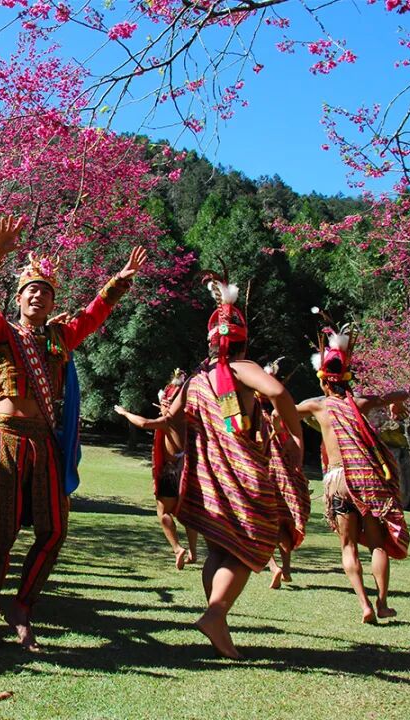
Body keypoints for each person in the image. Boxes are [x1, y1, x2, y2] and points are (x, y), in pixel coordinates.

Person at [0, 214, 145, 650]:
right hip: (6, 438)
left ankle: (23, 605)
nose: (39, 296)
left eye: (45, 291)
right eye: (31, 290)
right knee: (0, 534)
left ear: (50, 301)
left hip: (44, 442)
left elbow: (92, 316)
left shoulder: (59, 340)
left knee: (55, 531)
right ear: (19, 298)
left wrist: (119, 282)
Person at [115, 272, 302, 660]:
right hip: (243, 475)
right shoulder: (241, 368)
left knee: (219, 551)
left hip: (208, 480)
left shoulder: (196, 380)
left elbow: (172, 421)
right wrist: (293, 437)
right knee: (255, 544)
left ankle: (218, 622)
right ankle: (216, 614)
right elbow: (279, 391)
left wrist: (145, 423)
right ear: (242, 339)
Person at [296, 312, 410, 623]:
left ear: (322, 377)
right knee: (376, 543)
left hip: (335, 481)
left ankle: (364, 605)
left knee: (347, 545)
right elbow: (400, 394)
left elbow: (283, 410)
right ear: (347, 376)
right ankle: (383, 602)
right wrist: (394, 405)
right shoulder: (358, 403)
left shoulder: (316, 405)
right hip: (363, 480)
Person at [118, 369, 198, 569]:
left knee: (163, 512)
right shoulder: (190, 419)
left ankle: (178, 549)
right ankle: (194, 553)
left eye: (164, 402)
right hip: (189, 473)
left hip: (172, 473)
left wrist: (125, 413)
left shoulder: (169, 421)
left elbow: (144, 423)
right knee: (186, 514)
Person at [259, 358, 311, 589]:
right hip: (284, 479)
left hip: (264, 474)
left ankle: (274, 566)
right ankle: (286, 569)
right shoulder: (285, 412)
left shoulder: (258, 413)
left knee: (261, 523)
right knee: (282, 523)